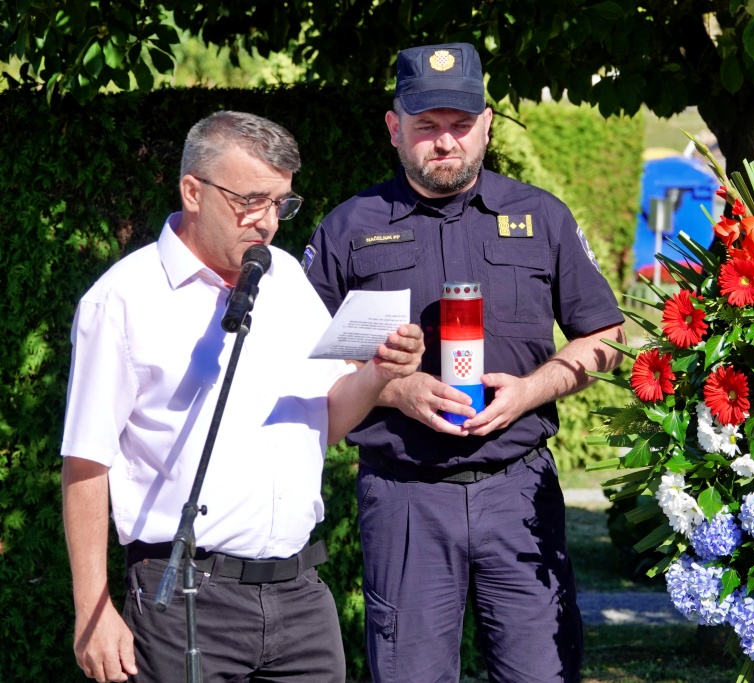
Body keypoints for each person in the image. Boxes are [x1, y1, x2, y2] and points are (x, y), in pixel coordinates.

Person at [61, 111, 425, 683]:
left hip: (301, 596)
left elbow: (326, 418)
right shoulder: (122, 301)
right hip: (186, 598)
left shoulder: (285, 277)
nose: (268, 223)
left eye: (281, 203)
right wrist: (93, 610)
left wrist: (376, 375)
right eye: (251, 200)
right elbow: (85, 462)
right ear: (193, 191)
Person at [303, 42, 625, 682]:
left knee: (542, 673)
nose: (444, 142)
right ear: (395, 128)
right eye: (426, 126)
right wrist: (396, 391)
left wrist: (533, 390)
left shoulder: (542, 218)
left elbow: (607, 338)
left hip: (520, 492)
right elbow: (307, 362)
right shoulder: (349, 228)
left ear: (486, 124)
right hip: (404, 497)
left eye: (460, 124)